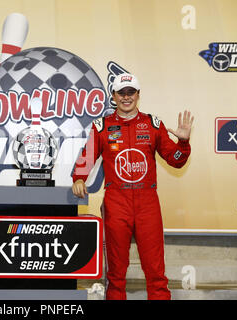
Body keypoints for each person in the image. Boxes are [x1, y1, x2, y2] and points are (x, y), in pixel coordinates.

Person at [71, 73, 194, 300]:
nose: (126, 97)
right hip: (117, 202)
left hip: (148, 202)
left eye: (131, 92)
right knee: (116, 274)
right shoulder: (102, 126)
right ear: (114, 96)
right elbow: (86, 158)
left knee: (156, 272)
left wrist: (183, 142)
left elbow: (176, 160)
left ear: (138, 95)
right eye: (121, 93)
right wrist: (78, 178)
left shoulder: (153, 124)